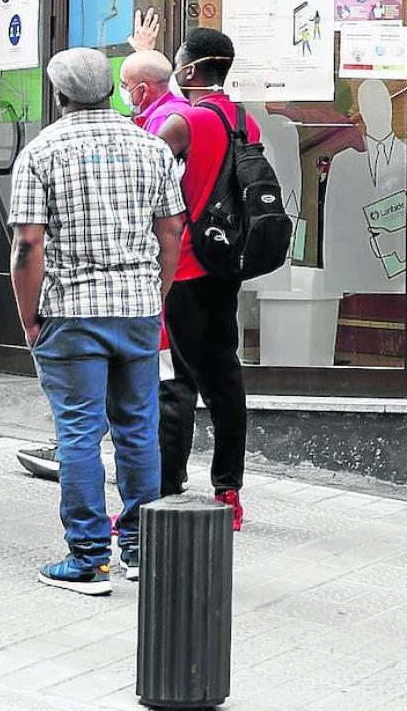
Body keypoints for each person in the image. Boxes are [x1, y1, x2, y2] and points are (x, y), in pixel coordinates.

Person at [10, 47, 185, 595]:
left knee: (79, 433)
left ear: (59, 95)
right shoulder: (151, 147)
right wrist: (155, 293)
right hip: (137, 308)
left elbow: (28, 244)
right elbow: (172, 230)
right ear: (110, 90)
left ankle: (88, 559)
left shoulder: (41, 152)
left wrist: (29, 317)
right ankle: (141, 548)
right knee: (138, 428)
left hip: (71, 311)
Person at [156, 28, 259, 531]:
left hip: (185, 266)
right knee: (224, 379)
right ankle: (228, 491)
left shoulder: (185, 121)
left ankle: (162, 486)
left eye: (178, 63)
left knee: (174, 380)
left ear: (191, 70)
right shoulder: (244, 119)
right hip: (226, 264)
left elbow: (145, 168)